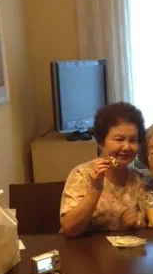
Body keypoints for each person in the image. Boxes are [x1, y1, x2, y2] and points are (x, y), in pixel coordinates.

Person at [60, 102, 147, 237]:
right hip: (85, 253)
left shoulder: (138, 178)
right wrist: (95, 189)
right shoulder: (82, 175)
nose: (126, 147)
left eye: (133, 140)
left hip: (127, 253)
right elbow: (69, 229)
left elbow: (147, 222)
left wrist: (137, 221)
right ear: (101, 142)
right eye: (119, 139)